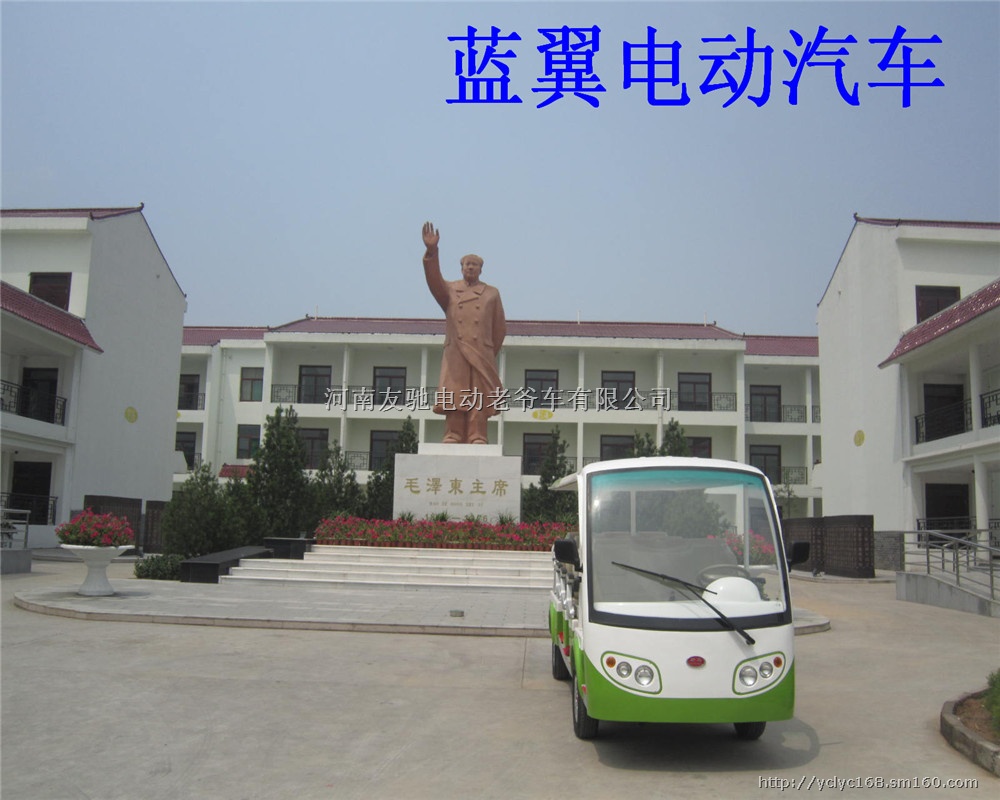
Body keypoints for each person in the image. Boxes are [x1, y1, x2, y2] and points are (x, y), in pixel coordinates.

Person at [421, 221, 506, 444]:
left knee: (479, 393)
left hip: (481, 351)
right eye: (467, 264)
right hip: (456, 350)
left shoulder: (491, 293)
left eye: (474, 265)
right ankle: (453, 433)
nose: (470, 268)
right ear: (461, 268)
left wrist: (487, 350)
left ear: (481, 269)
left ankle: (477, 434)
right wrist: (432, 252)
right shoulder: (450, 290)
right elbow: (433, 280)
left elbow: (499, 328)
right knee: (455, 392)